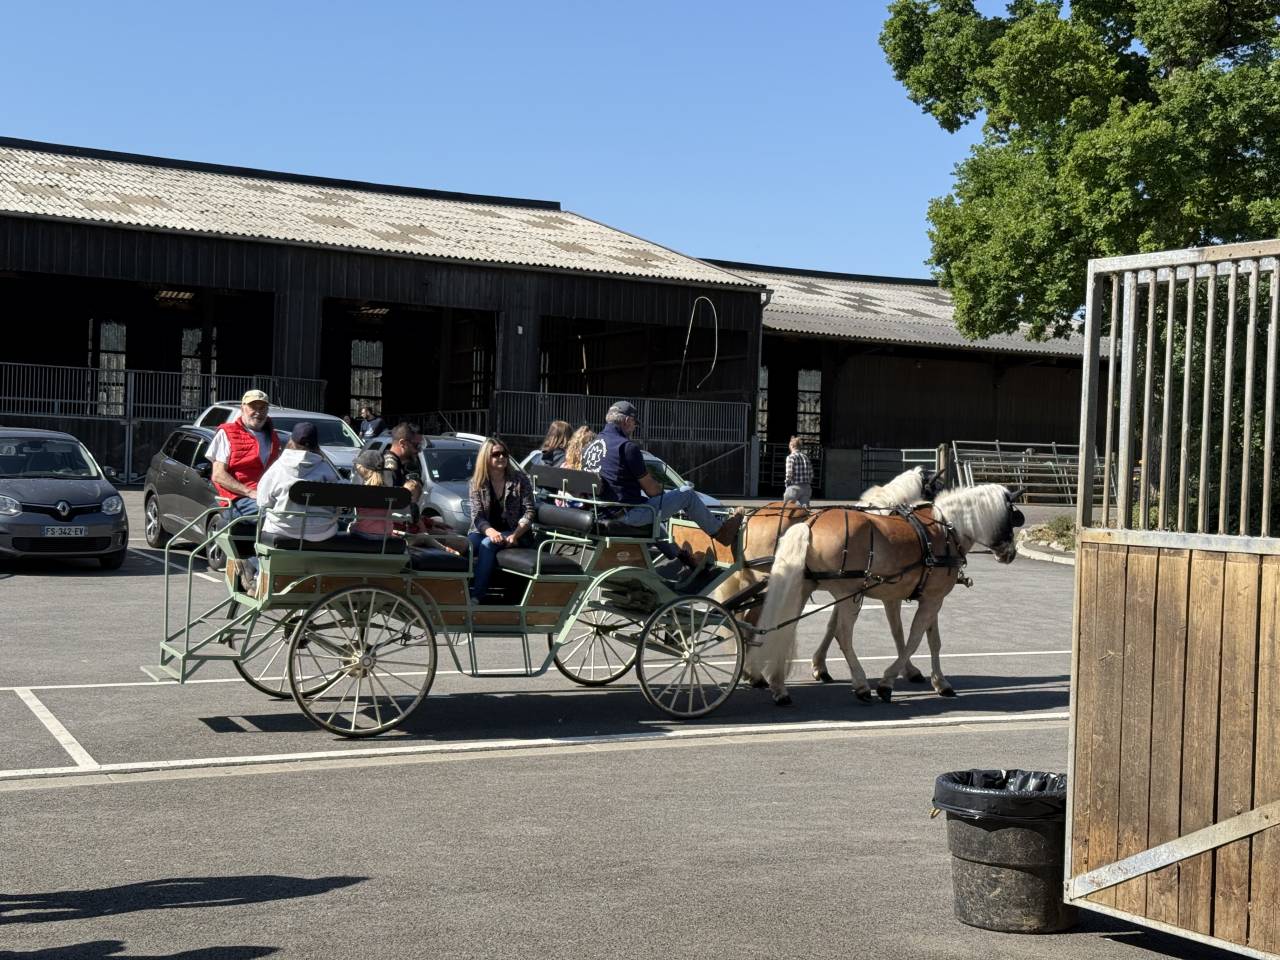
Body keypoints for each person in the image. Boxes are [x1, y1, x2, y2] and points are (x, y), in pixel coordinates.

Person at [587, 400, 741, 547]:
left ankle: (682, 557)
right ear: (627, 420)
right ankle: (721, 532)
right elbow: (652, 491)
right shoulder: (626, 447)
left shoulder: (590, 446)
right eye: (635, 423)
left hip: (600, 513)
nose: (634, 427)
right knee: (687, 494)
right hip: (625, 515)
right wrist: (665, 490)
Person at [237, 422, 340, 592]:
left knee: (265, 520)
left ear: (291, 441)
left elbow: (262, 502)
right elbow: (336, 501)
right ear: (316, 444)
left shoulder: (277, 469)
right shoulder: (326, 469)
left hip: (282, 530)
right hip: (321, 533)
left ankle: (256, 567)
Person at [351, 448, 464, 561]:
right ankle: (444, 549)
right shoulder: (393, 493)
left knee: (352, 525)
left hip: (363, 534)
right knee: (422, 536)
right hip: (384, 535)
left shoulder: (360, 491)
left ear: (364, 470)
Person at [467, 437, 535, 603]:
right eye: (496, 454)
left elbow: (529, 512)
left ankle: (477, 595)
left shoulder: (520, 479)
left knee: (487, 545)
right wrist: (490, 531)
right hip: (485, 531)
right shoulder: (477, 482)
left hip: (515, 532)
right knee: (465, 545)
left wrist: (516, 535)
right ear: (486, 458)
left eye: (504, 454)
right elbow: (477, 515)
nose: (502, 457)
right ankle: (457, 590)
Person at [205, 389, 282, 526]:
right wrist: (250, 492)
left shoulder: (273, 436)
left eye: (262, 407)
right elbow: (218, 475)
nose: (258, 412)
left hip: (267, 498)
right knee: (274, 516)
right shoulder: (227, 432)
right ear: (242, 408)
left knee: (299, 514)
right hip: (237, 500)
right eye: (253, 407)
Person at [381, 422, 423, 502]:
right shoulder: (390, 465)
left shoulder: (408, 462)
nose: (418, 450)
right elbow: (389, 499)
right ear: (402, 443)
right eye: (416, 445)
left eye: (421, 445)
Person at [783, 435, 813, 506]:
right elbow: (811, 474)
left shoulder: (790, 457)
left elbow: (789, 473)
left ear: (792, 445)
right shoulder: (805, 457)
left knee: (787, 509)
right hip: (806, 488)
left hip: (794, 487)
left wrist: (787, 484)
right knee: (805, 511)